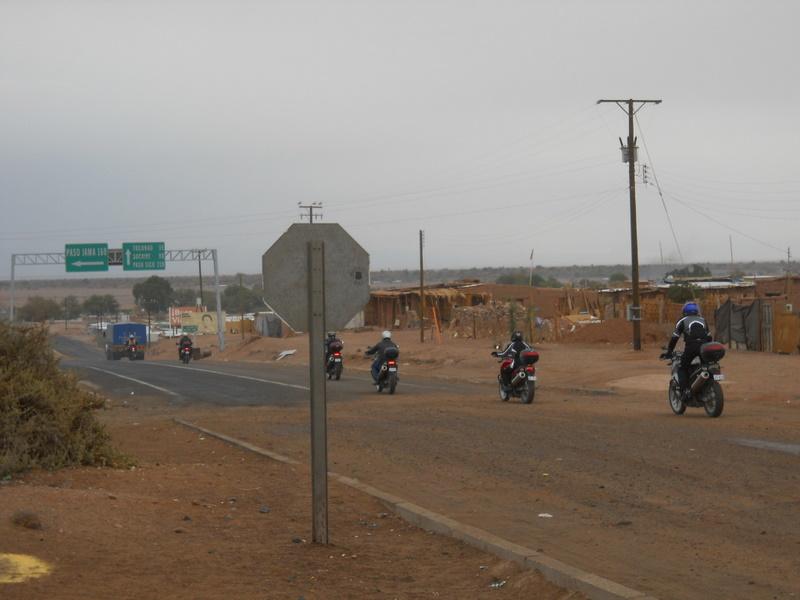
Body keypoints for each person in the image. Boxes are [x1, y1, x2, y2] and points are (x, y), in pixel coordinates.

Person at [660, 302, 712, 399]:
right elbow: (709, 337)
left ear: (684, 312)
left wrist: (669, 351)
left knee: (682, 368)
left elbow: (674, 338)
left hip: (691, 347)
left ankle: (685, 392)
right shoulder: (703, 320)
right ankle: (709, 387)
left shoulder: (682, 321)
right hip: (705, 347)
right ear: (697, 311)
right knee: (705, 366)